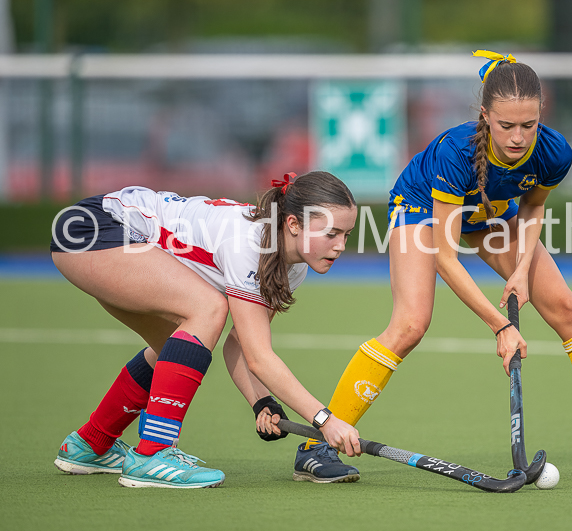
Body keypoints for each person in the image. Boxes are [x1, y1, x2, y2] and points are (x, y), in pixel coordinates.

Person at [277, 51, 572, 482]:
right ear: (484, 116)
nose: (518, 137)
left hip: (492, 213)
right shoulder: (455, 153)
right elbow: (445, 254)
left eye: (528, 125)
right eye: (506, 125)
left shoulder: (554, 152)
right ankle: (315, 448)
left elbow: (533, 208)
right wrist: (501, 324)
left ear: (540, 116)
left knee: (568, 310)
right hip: (421, 209)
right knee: (410, 325)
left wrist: (520, 270)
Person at [51, 171, 363, 489]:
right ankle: (153, 454)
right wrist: (325, 420)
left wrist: (262, 402)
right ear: (294, 224)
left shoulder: (290, 267)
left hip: (108, 236)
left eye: (347, 235)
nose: (340, 246)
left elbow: (241, 344)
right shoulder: (248, 242)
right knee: (209, 308)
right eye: (331, 233)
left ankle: (90, 444)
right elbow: (260, 357)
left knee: (171, 349)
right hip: (92, 229)